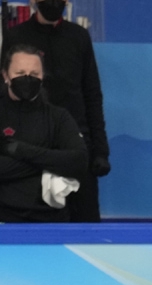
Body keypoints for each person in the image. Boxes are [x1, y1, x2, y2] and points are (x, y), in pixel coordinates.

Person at [3, 0, 108, 222]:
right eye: (21, 71)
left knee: (86, 221)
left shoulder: (78, 36)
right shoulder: (15, 36)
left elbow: (92, 94)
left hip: (75, 138)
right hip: (27, 136)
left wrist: (100, 150)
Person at [0, 43, 87, 222]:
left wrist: (18, 150)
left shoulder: (58, 117)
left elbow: (79, 161)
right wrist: (51, 157)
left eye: (34, 74)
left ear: (42, 77)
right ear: (5, 76)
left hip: (52, 221)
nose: (27, 78)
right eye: (19, 73)